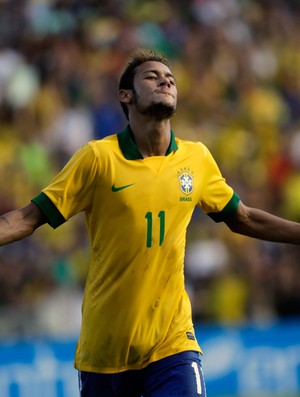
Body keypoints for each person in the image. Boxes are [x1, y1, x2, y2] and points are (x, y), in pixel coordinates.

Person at [1, 49, 300, 397]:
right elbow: (26, 218)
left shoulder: (197, 158)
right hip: (105, 351)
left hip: (172, 343)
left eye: (170, 77)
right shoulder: (98, 159)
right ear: (125, 95)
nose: (166, 80)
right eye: (152, 76)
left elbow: (243, 217)